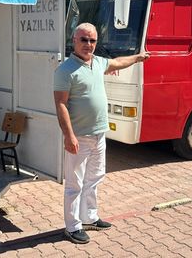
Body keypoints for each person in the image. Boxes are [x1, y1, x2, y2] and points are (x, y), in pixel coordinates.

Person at [53, 23, 150, 244]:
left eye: (92, 40)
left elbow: (117, 62)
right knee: (74, 184)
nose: (88, 44)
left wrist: (138, 57)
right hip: (80, 136)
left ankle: (90, 217)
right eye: (84, 40)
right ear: (74, 41)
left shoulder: (97, 63)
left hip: (99, 134)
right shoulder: (65, 70)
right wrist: (69, 136)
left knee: (95, 178)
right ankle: (72, 226)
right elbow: (60, 105)